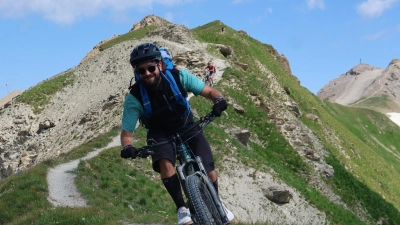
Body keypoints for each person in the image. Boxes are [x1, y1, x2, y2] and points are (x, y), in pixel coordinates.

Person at [120, 42, 234, 225]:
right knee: (164, 161)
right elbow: (127, 131)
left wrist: (218, 100)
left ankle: (217, 203)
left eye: (151, 68)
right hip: (159, 132)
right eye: (142, 71)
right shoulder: (135, 97)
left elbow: (210, 91)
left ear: (160, 64)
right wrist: (127, 146)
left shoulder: (179, 77)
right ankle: (182, 208)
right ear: (137, 73)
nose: (147, 73)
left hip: (185, 123)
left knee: (209, 167)